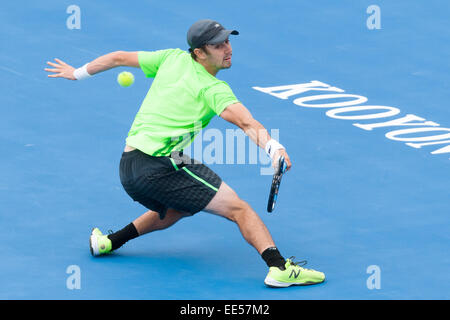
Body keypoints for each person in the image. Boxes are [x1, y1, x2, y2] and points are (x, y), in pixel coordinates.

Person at [44, 19, 325, 287]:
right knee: (239, 209)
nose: (227, 49)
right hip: (159, 165)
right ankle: (279, 268)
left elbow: (118, 57)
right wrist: (273, 147)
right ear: (199, 53)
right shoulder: (213, 88)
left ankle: (109, 242)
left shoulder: (171, 58)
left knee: (182, 207)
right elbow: (246, 122)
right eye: (218, 46)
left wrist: (76, 73)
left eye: (227, 41)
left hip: (128, 166)